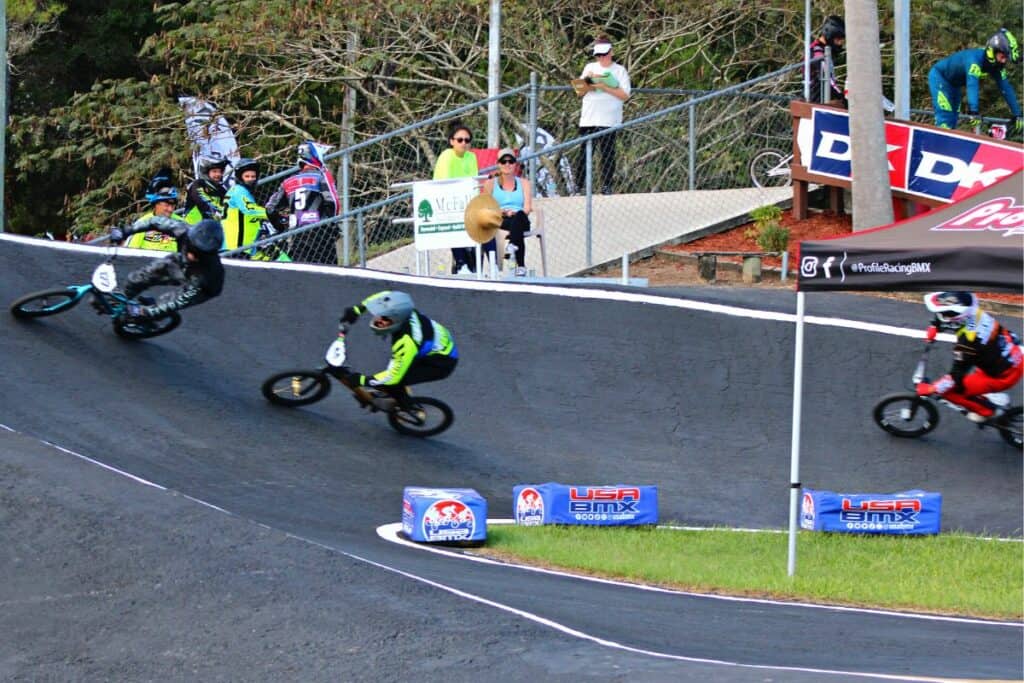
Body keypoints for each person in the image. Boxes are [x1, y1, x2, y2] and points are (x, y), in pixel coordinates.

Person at [337, 291, 458, 410]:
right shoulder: (403, 310)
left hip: (440, 363)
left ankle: (406, 406)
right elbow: (384, 297)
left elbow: (393, 376)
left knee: (393, 384)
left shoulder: (406, 343)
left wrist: (362, 380)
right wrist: (358, 309)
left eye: (385, 319)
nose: (379, 321)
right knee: (393, 374)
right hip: (435, 345)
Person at [917, 291, 1023, 422]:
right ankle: (989, 396)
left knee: (950, 391)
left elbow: (954, 377)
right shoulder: (974, 311)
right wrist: (935, 325)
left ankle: (987, 411)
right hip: (1011, 356)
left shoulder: (967, 343)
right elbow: (951, 316)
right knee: (974, 371)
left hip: (1004, 376)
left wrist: (931, 388)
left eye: (944, 313)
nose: (941, 315)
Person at [107, 218, 226, 322]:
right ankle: (122, 297)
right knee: (144, 274)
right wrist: (126, 231)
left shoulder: (211, 273)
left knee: (164, 303)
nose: (192, 256)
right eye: (192, 249)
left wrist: (143, 312)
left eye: (200, 254)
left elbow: (178, 301)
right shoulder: (182, 230)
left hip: (201, 285)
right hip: (180, 263)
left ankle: (148, 318)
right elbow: (154, 222)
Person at [928, 28, 1022, 131]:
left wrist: (1018, 114)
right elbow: (972, 84)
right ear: (992, 51)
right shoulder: (974, 60)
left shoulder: (996, 66)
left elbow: (1006, 89)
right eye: (1002, 56)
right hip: (940, 77)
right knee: (945, 116)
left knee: (953, 120)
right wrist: (974, 111)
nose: (1004, 61)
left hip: (954, 85)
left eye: (1006, 58)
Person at [573, 35, 631, 195]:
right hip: (589, 118)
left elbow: (625, 95)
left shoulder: (620, 71)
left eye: (604, 54)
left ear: (611, 52)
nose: (601, 58)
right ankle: (578, 186)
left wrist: (605, 86)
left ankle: (606, 185)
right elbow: (579, 90)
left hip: (609, 120)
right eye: (598, 55)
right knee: (584, 154)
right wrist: (590, 82)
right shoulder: (589, 67)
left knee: (607, 155)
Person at [265, 142, 338, 264]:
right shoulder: (322, 176)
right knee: (331, 272)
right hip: (321, 231)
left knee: (304, 273)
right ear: (315, 156)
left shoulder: (287, 182)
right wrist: (332, 222)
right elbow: (333, 202)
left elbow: (270, 208)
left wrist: (281, 225)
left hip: (297, 234)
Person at [433, 122, 484, 273]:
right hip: (447, 203)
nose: (464, 143)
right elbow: (445, 183)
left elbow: (473, 182)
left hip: (466, 202)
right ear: (452, 141)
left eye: (467, 140)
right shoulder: (446, 156)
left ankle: (479, 265)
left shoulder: (471, 157)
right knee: (455, 220)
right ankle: (461, 263)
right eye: (460, 140)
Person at [224, 158, 288, 261]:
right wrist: (271, 214)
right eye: (247, 176)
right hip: (237, 246)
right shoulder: (239, 190)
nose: (251, 179)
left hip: (245, 246)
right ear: (240, 177)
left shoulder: (242, 192)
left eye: (253, 176)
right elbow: (250, 209)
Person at [482, 147, 532, 276]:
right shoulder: (491, 183)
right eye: (504, 162)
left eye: (511, 161)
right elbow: (487, 206)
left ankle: (512, 244)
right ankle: (520, 265)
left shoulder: (524, 183)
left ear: (515, 164)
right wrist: (502, 212)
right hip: (501, 218)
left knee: (519, 217)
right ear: (499, 164)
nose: (507, 164)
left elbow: (527, 207)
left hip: (520, 217)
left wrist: (515, 213)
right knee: (515, 227)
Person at [125, 170, 187, 252]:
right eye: (167, 205)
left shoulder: (181, 223)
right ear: (156, 204)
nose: (170, 209)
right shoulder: (142, 224)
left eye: (173, 205)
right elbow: (130, 252)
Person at [808, 15, 846, 105]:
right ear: (830, 35)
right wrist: (841, 96)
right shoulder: (817, 51)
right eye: (838, 39)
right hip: (815, 99)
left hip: (819, 97)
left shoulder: (824, 50)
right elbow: (827, 78)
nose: (840, 43)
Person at [184, 156, 229, 224]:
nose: (218, 174)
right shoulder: (198, 184)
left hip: (211, 227)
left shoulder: (221, 189)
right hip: (192, 227)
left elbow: (229, 203)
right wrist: (216, 212)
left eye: (220, 171)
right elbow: (201, 199)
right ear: (206, 172)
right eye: (214, 171)